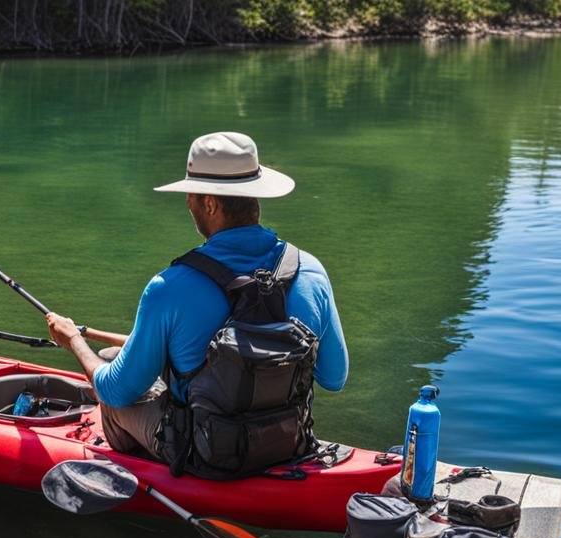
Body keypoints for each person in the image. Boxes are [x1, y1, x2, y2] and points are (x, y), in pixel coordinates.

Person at [45, 132, 348, 464]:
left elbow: (115, 391)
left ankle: (146, 466)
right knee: (117, 352)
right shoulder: (310, 270)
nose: (187, 204)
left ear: (210, 204)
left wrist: (73, 339)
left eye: (190, 195)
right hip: (289, 441)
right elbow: (334, 377)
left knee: (112, 399)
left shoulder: (169, 286)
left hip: (205, 454)